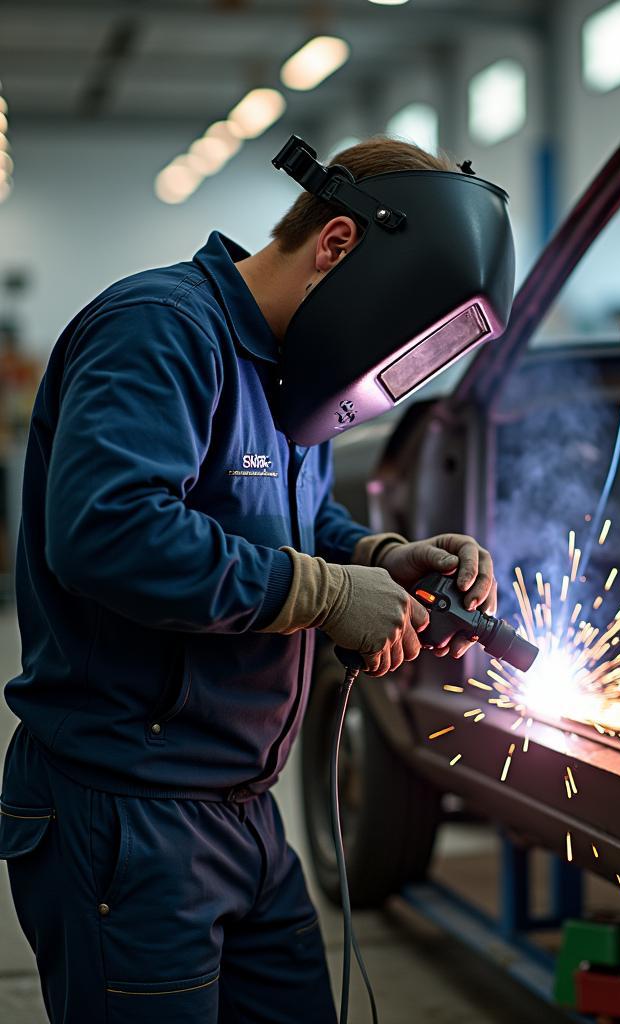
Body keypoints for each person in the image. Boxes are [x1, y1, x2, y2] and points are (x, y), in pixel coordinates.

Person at [0, 136, 510, 1022]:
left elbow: (299, 526)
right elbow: (106, 531)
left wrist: (379, 558)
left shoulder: (293, 374)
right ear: (338, 245)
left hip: (246, 812)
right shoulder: (160, 328)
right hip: (129, 807)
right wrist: (323, 595)